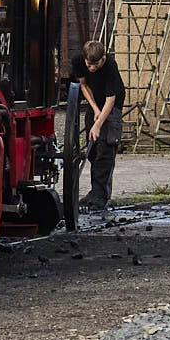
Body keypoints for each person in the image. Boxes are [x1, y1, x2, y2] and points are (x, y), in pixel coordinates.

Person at [74, 41, 125, 216]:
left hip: (112, 105)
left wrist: (98, 124)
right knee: (93, 150)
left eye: (96, 64)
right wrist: (95, 110)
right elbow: (83, 85)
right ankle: (95, 191)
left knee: (105, 148)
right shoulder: (78, 61)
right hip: (94, 102)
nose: (92, 68)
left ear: (103, 58)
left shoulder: (110, 64)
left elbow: (111, 99)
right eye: (89, 64)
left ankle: (100, 196)